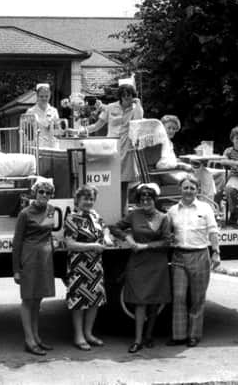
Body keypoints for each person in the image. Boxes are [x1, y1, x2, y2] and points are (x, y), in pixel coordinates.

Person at [109, 183, 172, 353]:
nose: (145, 201)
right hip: (138, 264)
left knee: (154, 302)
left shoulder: (164, 217)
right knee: (139, 302)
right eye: (142, 199)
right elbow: (114, 228)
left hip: (156, 263)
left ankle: (149, 336)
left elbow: (167, 242)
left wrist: (146, 246)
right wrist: (127, 238)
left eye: (149, 198)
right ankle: (137, 340)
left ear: (154, 200)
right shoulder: (134, 215)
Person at [166, 174, 220, 347]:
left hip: (200, 255)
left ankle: (194, 335)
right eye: (185, 187)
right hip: (179, 256)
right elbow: (167, 232)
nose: (188, 191)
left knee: (197, 298)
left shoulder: (205, 208)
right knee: (179, 296)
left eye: (192, 188)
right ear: (180, 189)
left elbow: (213, 232)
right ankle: (178, 335)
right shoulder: (172, 210)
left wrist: (216, 252)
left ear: (197, 190)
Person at [63, 184, 113, 351]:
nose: (89, 202)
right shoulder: (72, 218)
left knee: (94, 300)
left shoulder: (95, 215)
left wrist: (106, 237)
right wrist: (92, 246)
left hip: (95, 265)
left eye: (91, 198)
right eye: (85, 198)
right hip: (79, 265)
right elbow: (69, 244)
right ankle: (78, 336)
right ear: (78, 200)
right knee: (79, 302)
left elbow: (104, 227)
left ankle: (88, 333)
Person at [81, 84, 144, 214]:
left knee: (124, 183)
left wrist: (138, 104)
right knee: (110, 181)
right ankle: (108, 211)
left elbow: (138, 122)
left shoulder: (135, 109)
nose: (127, 98)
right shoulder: (110, 107)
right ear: (120, 96)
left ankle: (122, 213)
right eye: (124, 95)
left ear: (133, 96)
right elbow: (99, 124)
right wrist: (84, 130)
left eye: (130, 95)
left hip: (127, 147)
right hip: (110, 148)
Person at [12, 178, 57, 356]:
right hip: (30, 256)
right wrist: (16, 269)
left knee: (38, 299)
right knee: (28, 299)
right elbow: (17, 242)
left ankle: (37, 337)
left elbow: (48, 233)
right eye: (41, 192)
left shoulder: (52, 210)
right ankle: (29, 340)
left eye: (47, 193)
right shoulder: (25, 213)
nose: (44, 195)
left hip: (45, 258)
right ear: (35, 193)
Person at [25, 83, 60, 148]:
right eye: (41, 96)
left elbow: (57, 129)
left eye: (46, 96)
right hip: (36, 146)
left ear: (50, 96)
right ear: (37, 97)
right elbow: (25, 130)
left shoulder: (54, 111)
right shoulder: (30, 111)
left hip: (52, 145)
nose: (44, 98)